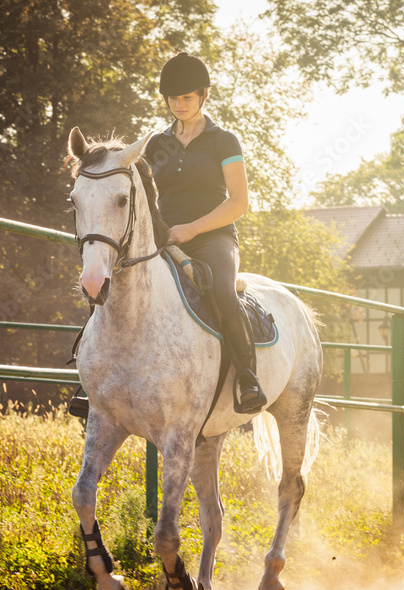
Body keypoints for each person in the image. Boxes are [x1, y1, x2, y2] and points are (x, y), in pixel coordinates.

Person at [144, 51, 266, 415]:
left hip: (213, 236)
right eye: (173, 98)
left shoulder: (224, 141)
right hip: (163, 236)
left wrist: (193, 228)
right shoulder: (156, 144)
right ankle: (92, 382)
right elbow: (145, 198)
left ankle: (247, 379)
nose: (178, 105)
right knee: (116, 279)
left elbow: (239, 201)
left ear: (204, 95)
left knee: (224, 292)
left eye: (187, 97)